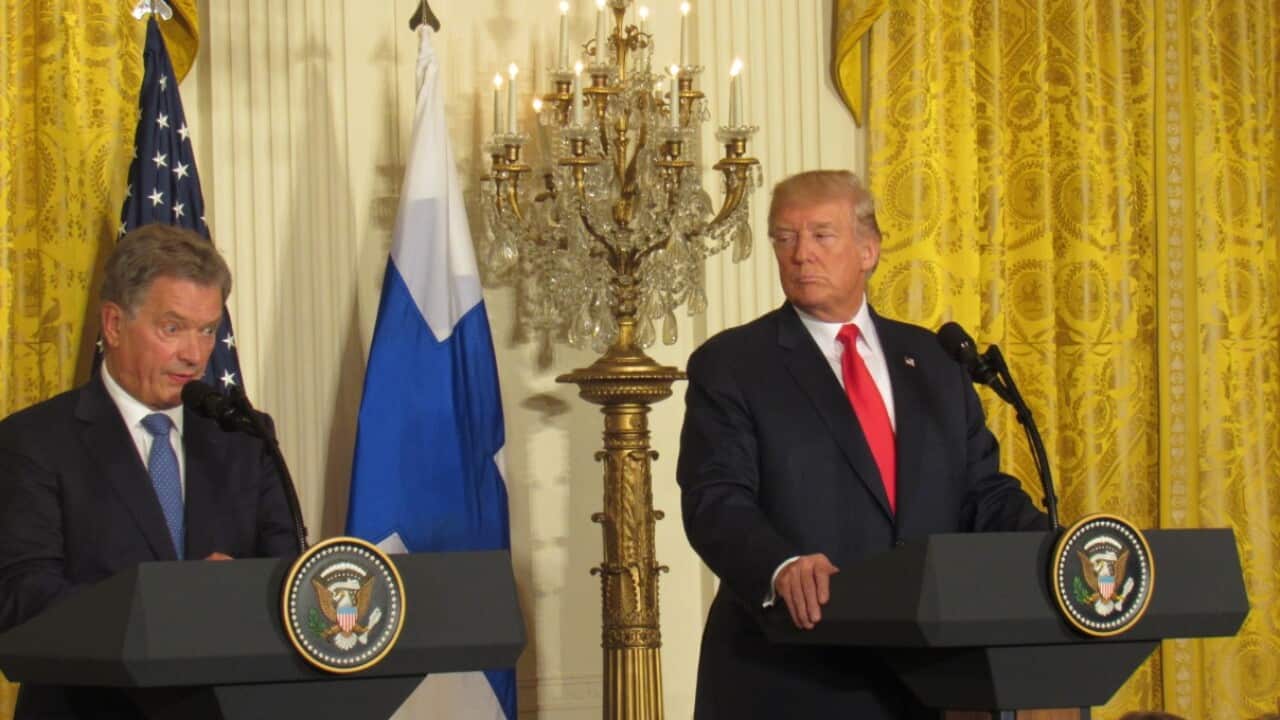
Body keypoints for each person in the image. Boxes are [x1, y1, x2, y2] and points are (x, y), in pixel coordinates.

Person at [677, 170, 1048, 719]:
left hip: (929, 679)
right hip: (791, 673)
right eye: (785, 237)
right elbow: (715, 499)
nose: (801, 253)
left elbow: (983, 494)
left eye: (821, 235)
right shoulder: (733, 364)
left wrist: (1059, 549)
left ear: (868, 250)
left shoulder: (935, 361)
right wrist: (780, 565)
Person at [0, 224, 299, 718]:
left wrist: (244, 592)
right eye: (172, 328)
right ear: (114, 325)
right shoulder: (35, 441)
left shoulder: (245, 436)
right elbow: (22, 599)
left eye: (207, 330)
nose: (194, 355)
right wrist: (172, 602)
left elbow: (288, 577)